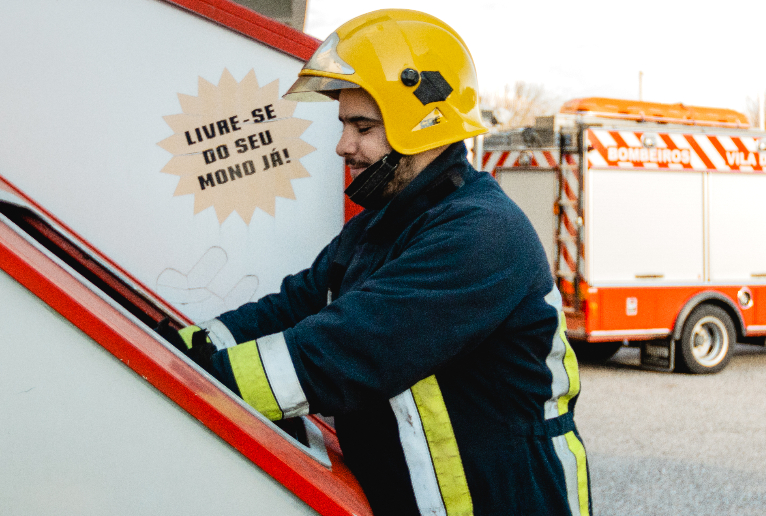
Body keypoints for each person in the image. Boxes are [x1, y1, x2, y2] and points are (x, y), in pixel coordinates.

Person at [174, 9, 591, 516]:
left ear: (425, 124)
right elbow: (292, 307)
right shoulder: (379, 228)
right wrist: (187, 346)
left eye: (362, 126)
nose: (343, 146)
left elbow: (346, 352)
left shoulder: (481, 234)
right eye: (346, 125)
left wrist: (188, 386)